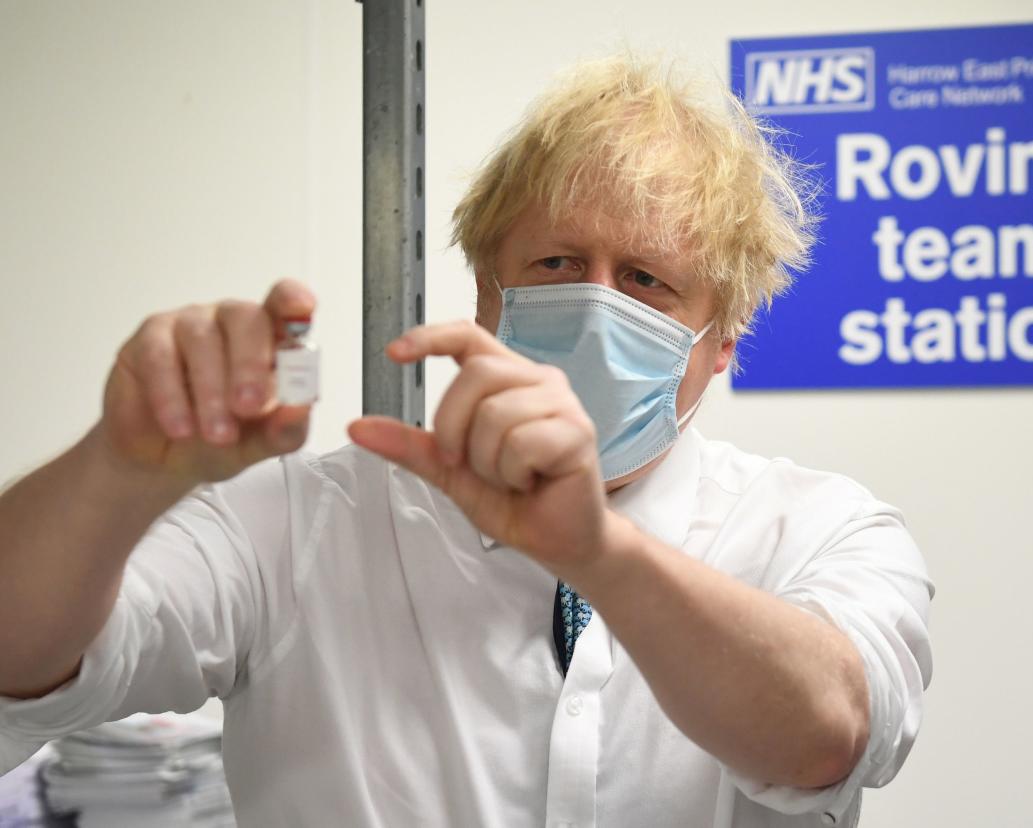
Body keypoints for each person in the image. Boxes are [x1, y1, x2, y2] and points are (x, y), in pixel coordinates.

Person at [0, 55, 932, 827]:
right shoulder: (302, 523)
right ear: (489, 295)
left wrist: (597, 554)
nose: (599, 304)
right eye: (559, 264)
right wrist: (116, 471)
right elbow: (20, 661)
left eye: (647, 280)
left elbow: (827, 738)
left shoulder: (822, 530)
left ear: (722, 340)